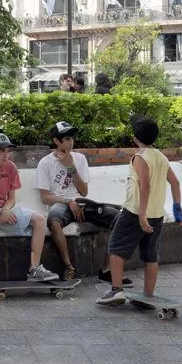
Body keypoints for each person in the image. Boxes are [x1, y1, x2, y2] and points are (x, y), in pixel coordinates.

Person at [97, 115, 182, 306]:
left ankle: (116, 290)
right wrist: (178, 213)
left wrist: (141, 214)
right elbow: (175, 183)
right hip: (157, 214)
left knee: (115, 247)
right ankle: (148, 295)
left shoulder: (140, 157)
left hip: (135, 212)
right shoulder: (161, 157)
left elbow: (144, 186)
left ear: (135, 137)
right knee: (150, 255)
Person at [37, 121, 129, 284]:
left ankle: (108, 270)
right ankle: (69, 268)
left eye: (72, 138)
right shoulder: (45, 163)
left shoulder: (79, 159)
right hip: (60, 204)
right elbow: (45, 197)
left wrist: (70, 166)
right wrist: (68, 201)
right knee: (54, 221)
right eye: (66, 139)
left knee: (120, 218)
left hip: (81, 203)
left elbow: (84, 191)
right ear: (56, 141)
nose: (70, 142)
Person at [0, 133, 58, 289]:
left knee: (39, 219)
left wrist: (5, 210)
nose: (6, 154)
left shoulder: (11, 167)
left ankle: (34, 268)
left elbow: (11, 199)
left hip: (4, 210)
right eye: (1, 151)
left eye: (8, 150)